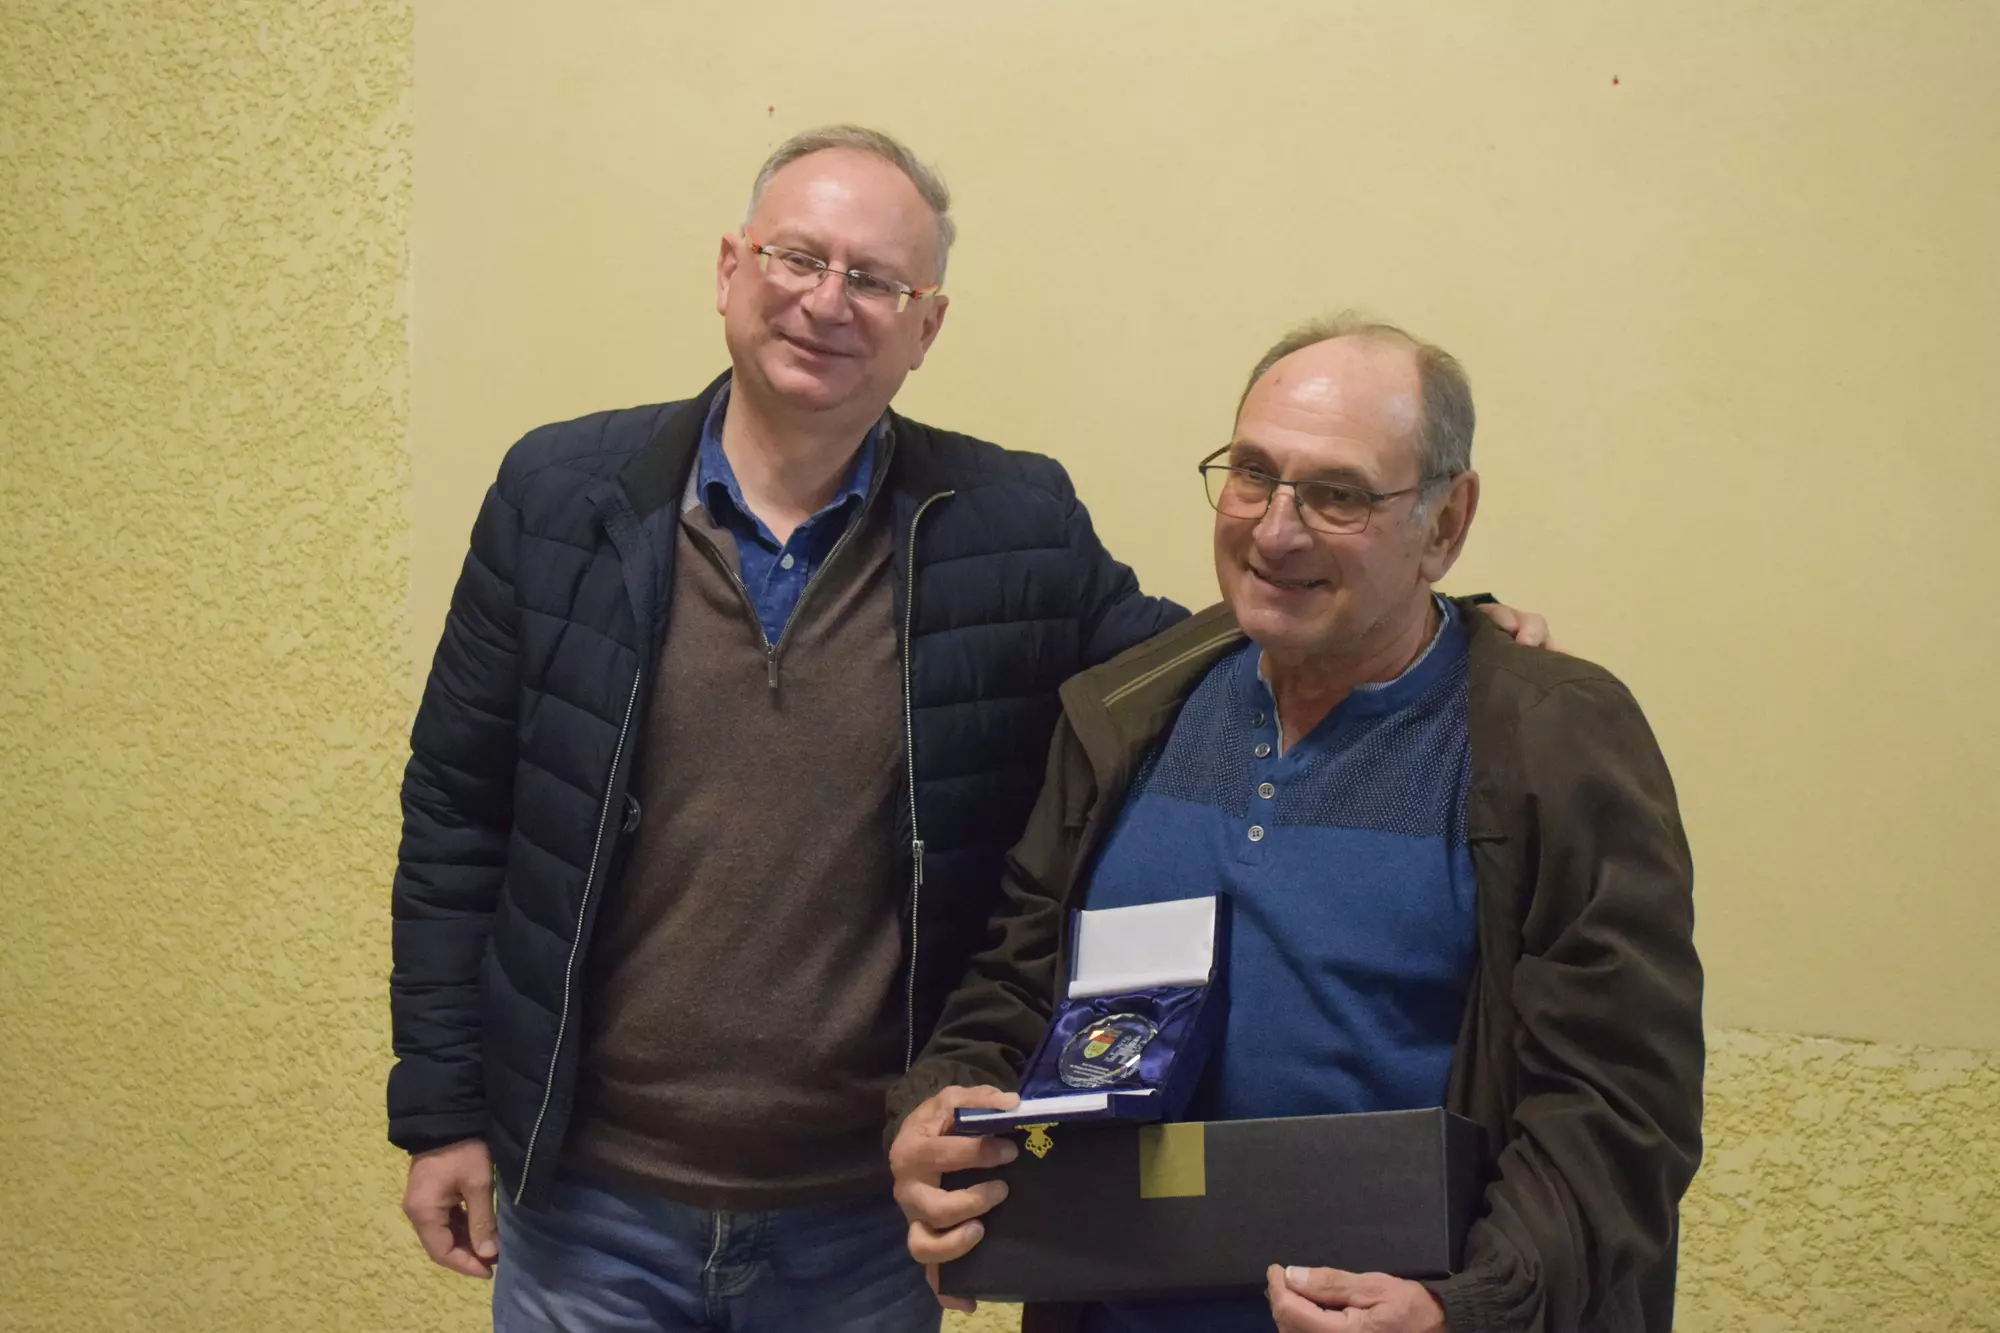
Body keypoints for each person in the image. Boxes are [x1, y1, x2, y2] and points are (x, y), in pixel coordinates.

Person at [388, 123, 1551, 1333]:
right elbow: (457, 818)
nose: (825, 302)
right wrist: (442, 1108)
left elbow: (1213, 648)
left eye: (876, 280)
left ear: (923, 326)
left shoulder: (1009, 523)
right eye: (796, 257)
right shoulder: (557, 498)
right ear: (730, 267)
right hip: (587, 1206)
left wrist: (1435, 614)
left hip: (865, 1221)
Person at [888, 316, 1703, 1333]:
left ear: (1444, 525)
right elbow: (1018, 983)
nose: (1275, 529)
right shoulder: (1127, 712)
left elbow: (1615, 1107)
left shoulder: (1549, 743)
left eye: (1337, 494)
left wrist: (1466, 1309)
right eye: (1251, 473)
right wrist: (944, 1103)